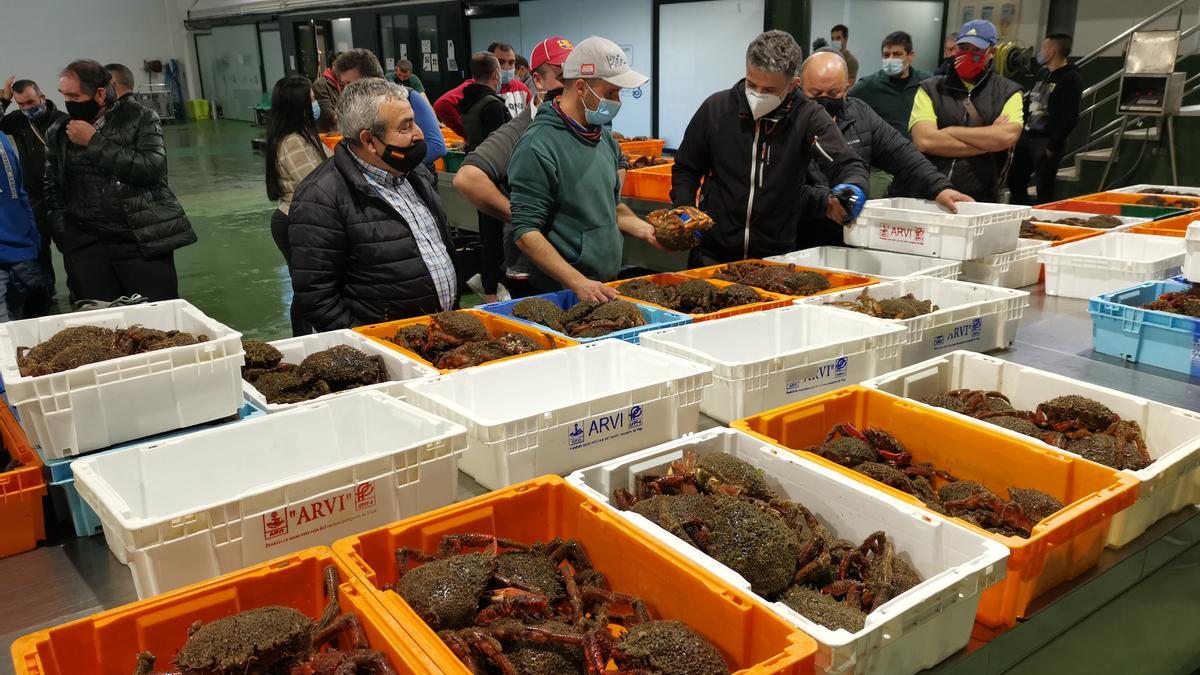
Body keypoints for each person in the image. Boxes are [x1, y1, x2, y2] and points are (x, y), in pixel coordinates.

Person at [671, 30, 868, 265]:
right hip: (712, 254)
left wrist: (854, 186)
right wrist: (684, 208)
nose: (758, 95)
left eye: (770, 90)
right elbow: (686, 168)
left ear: (793, 84)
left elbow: (846, 162)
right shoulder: (716, 109)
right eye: (752, 85)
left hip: (775, 259)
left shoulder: (808, 117)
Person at [288, 78, 458, 329]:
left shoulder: (416, 174)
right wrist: (372, 346)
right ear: (369, 140)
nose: (419, 134)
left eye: (415, 122)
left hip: (442, 334)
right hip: (387, 351)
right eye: (405, 127)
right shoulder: (320, 198)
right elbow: (317, 297)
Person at [509, 36, 658, 301]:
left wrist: (646, 230)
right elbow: (525, 232)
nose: (617, 101)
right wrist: (577, 282)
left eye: (619, 93)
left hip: (604, 285)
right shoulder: (538, 146)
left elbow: (610, 207)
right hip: (561, 293)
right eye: (610, 92)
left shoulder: (604, 140)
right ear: (580, 86)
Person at [45, 60, 195, 302]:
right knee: (98, 324)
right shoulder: (58, 132)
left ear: (100, 94)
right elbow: (52, 187)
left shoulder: (141, 117)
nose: (68, 103)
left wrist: (93, 141)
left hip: (138, 243)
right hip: (86, 248)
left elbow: (152, 168)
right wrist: (66, 237)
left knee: (157, 319)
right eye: (65, 96)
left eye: (74, 96)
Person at [800, 51, 971, 245]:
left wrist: (938, 187)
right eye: (814, 94)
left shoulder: (860, 115)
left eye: (834, 93)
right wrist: (826, 202)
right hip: (802, 236)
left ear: (847, 88)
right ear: (799, 87)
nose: (824, 100)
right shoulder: (791, 123)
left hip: (851, 234)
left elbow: (900, 153)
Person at [454, 36, 574, 301]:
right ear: (538, 80)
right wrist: (522, 217)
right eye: (563, 77)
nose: (572, 86)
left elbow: (619, 164)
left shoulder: (577, 126)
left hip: (573, 261)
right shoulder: (523, 130)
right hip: (531, 266)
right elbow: (468, 178)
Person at [907, 20, 1023, 202]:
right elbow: (925, 140)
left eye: (976, 49)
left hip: (979, 198)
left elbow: (1006, 137)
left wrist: (950, 132)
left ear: (991, 52)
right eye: (963, 47)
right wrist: (988, 142)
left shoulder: (1008, 92)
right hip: (928, 194)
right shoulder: (931, 88)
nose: (967, 54)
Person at [265, 75, 331, 335]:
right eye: (312, 100)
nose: (316, 104)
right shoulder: (292, 141)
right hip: (295, 219)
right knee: (307, 289)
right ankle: (303, 340)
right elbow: (316, 182)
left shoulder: (305, 135)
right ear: (298, 105)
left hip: (304, 218)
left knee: (308, 287)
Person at [0, 77, 69, 316]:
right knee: (39, 250)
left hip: (61, 196)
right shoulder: (19, 121)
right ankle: (45, 294)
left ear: (42, 97)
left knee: (69, 246)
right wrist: (3, 100)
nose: (28, 108)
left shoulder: (62, 122)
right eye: (21, 104)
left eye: (31, 101)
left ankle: (78, 290)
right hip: (33, 197)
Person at [458, 51, 513, 302]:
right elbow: (501, 145)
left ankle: (490, 287)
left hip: (479, 175)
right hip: (494, 182)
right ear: (495, 73)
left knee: (487, 234)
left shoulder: (468, 101)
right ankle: (492, 292)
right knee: (494, 239)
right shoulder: (491, 105)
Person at [336, 49, 446, 166]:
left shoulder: (407, 98)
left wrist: (400, 166)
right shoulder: (355, 109)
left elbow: (437, 146)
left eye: (350, 85)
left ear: (372, 81)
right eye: (343, 85)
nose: (346, 92)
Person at [1007, 33, 1082, 205]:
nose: (1041, 51)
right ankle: (1021, 212)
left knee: (1044, 186)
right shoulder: (1042, 73)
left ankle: (1039, 219)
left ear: (1053, 51)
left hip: (1046, 140)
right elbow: (1030, 102)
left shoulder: (1071, 78)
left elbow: (1070, 116)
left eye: (1044, 47)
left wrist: (1052, 146)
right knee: (1015, 180)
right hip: (1027, 136)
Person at [0, 134, 50, 321]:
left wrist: (31, 241)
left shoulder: (2, 139)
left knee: (17, 332)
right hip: (18, 250)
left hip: (20, 254)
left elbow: (18, 193)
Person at [434, 42, 532, 136]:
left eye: (511, 63)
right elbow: (442, 105)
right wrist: (466, 132)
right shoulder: (474, 88)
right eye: (501, 62)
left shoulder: (522, 89)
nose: (506, 67)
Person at [849, 31, 930, 139]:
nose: (891, 59)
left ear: (910, 55)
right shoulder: (868, 85)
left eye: (897, 54)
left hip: (920, 151)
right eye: (886, 55)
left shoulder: (927, 82)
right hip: (887, 152)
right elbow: (844, 105)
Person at [312, 59, 342, 132]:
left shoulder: (344, 81)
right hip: (329, 132)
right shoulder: (320, 84)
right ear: (334, 65)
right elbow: (327, 113)